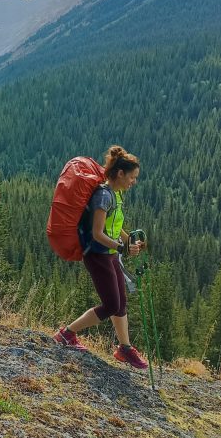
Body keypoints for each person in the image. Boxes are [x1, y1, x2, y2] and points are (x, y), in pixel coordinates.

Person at [53, 145, 149, 369]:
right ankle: (67, 334)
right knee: (111, 304)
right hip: (98, 255)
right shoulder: (103, 196)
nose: (134, 181)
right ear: (120, 174)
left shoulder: (116, 194)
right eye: (132, 177)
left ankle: (125, 349)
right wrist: (122, 247)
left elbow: (115, 226)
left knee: (121, 301)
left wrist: (129, 241)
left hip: (110, 253)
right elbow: (98, 233)